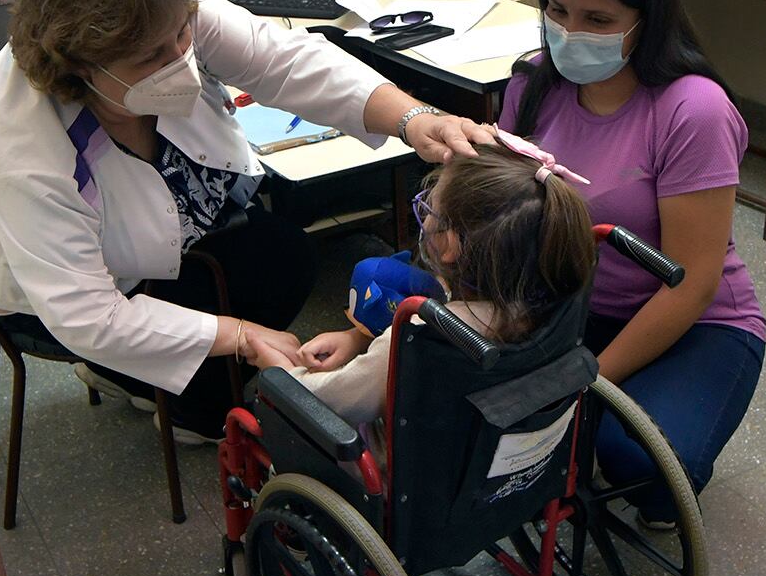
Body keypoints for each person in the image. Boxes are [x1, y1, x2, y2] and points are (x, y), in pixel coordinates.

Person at [0, 0, 494, 442]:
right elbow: (88, 316)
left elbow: (287, 64)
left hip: (169, 237)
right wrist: (240, 335)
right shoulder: (23, 145)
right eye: (152, 58)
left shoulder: (164, 14)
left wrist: (416, 120)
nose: (181, 59)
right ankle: (189, 411)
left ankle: (148, 379)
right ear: (81, 69)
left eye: (182, 34)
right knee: (248, 286)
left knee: (282, 253)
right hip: (49, 299)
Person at [498, 0, 766, 522]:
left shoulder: (693, 111)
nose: (569, 32)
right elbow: (500, 215)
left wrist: (582, 379)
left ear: (648, 20)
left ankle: (640, 437)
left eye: (598, 19)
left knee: (641, 465)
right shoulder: (534, 84)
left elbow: (692, 284)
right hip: (573, 306)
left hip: (694, 324)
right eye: (558, 11)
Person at [246, 142, 596, 427]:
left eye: (430, 209)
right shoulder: (556, 293)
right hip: (504, 451)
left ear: (451, 246)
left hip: (417, 474)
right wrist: (357, 339)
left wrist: (280, 370)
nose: (425, 215)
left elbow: (332, 403)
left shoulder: (423, 329)